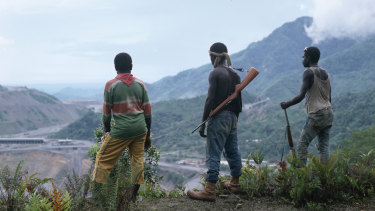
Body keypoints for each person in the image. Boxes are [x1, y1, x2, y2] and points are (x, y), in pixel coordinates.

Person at [92, 52, 152, 203]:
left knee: (102, 159)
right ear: (131, 66)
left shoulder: (110, 85)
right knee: (137, 161)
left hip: (121, 130)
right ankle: (133, 198)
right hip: (140, 129)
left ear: (115, 67)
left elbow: (106, 113)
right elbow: (148, 112)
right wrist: (148, 135)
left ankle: (97, 196)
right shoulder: (141, 84)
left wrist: (107, 132)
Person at [187, 42, 243, 201]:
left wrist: (203, 122)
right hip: (233, 117)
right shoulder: (235, 74)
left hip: (219, 118)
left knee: (213, 152)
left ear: (213, 56)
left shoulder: (215, 73)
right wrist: (234, 120)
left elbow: (210, 99)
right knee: (233, 150)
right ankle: (235, 183)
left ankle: (210, 190)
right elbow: (238, 100)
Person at [280, 46, 333, 165]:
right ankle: (326, 174)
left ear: (308, 58)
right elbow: (329, 97)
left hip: (316, 113)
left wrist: (286, 104)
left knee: (302, 144)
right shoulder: (326, 73)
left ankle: (301, 175)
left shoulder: (308, 73)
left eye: (303, 57)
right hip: (329, 112)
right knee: (324, 147)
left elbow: (301, 96)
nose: (302, 59)